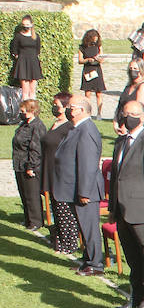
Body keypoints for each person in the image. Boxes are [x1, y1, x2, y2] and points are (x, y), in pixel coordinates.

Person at [52, 98, 104, 274]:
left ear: (81, 110)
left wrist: (84, 192)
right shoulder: (77, 128)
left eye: (70, 107)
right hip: (74, 188)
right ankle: (88, 259)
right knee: (84, 227)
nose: (68, 110)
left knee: (89, 228)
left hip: (85, 190)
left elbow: (88, 164)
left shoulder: (86, 130)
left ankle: (96, 264)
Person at [41, 94, 73, 250]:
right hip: (49, 170)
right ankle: (58, 237)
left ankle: (68, 242)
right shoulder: (55, 123)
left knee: (63, 209)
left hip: (60, 174)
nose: (54, 107)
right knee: (55, 208)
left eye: (57, 105)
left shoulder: (69, 127)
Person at [11, 99, 45, 235]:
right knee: (24, 193)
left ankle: (36, 221)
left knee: (32, 195)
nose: (22, 112)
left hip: (29, 165)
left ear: (32, 110)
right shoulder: (24, 124)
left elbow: (36, 149)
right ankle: (28, 219)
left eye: (24, 110)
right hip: (20, 163)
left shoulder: (37, 126)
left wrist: (31, 166)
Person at [9, 16, 42, 100]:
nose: (26, 26)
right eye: (24, 24)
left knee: (33, 91)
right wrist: (19, 58)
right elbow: (14, 49)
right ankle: (25, 110)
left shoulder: (36, 36)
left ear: (32, 24)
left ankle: (33, 110)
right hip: (23, 62)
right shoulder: (18, 36)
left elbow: (38, 49)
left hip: (34, 62)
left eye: (27, 24)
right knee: (25, 91)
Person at [78, 29, 106, 116]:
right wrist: (87, 60)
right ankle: (88, 112)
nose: (95, 40)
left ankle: (99, 113)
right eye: (94, 38)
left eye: (97, 38)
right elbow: (80, 60)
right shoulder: (82, 47)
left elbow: (102, 59)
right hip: (88, 69)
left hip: (97, 69)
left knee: (99, 93)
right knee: (88, 93)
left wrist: (99, 59)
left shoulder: (98, 46)